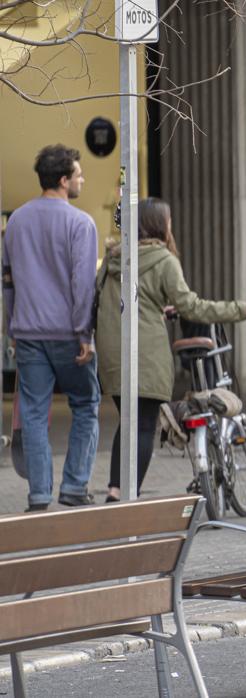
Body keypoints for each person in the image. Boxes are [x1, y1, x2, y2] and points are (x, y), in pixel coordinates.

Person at [94, 198, 246, 502]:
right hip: (144, 353)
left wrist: (155, 306)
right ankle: (125, 497)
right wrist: (241, 309)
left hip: (112, 351)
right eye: (169, 221)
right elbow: (192, 307)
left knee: (128, 421)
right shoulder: (163, 260)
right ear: (160, 225)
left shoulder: (113, 259)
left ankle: (114, 489)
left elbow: (106, 300)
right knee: (144, 424)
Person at [1, 145, 100, 512]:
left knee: (33, 413)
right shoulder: (80, 223)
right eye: (78, 174)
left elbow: (7, 282)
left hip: (27, 333)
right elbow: (82, 285)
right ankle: (74, 486)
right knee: (87, 405)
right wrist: (85, 333)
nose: (82, 179)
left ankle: (39, 495)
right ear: (63, 180)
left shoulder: (16, 223)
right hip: (69, 334)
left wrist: (12, 326)